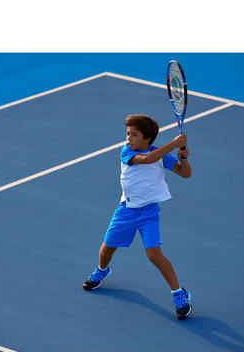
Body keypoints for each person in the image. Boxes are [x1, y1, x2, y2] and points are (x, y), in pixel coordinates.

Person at [83, 114, 193, 320]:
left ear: (147, 138)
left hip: (149, 213)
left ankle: (179, 294)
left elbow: (185, 173)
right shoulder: (127, 152)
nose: (128, 138)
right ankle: (102, 270)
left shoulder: (161, 155)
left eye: (134, 135)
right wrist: (174, 143)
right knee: (107, 249)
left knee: (154, 255)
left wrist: (183, 158)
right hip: (126, 211)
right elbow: (148, 159)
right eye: (128, 134)